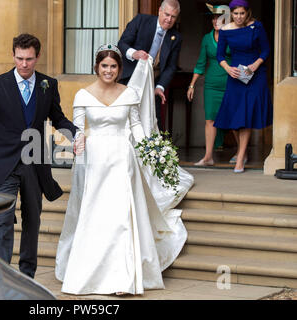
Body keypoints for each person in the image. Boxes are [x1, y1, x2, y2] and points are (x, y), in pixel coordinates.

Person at [55, 45, 194, 295]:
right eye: (104, 66)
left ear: (119, 69)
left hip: (122, 157)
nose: (108, 70)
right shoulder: (83, 95)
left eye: (113, 66)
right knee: (96, 215)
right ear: (97, 67)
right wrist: (77, 145)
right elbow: (77, 130)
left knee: (121, 217)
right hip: (95, 160)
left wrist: (150, 150)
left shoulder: (129, 93)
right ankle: (90, 273)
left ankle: (124, 276)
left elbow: (136, 125)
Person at [0, 34, 77, 279]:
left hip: (35, 162)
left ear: (37, 57)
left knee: (32, 220)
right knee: (3, 219)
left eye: (29, 59)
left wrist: (76, 136)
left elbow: (57, 118)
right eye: (19, 58)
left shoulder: (48, 85)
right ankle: (2, 276)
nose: (24, 64)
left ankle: (27, 276)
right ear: (13, 55)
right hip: (5, 163)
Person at [214, 0, 273, 173]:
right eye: (235, 13)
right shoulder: (225, 31)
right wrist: (227, 68)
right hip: (236, 74)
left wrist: (255, 65)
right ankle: (243, 151)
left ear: (247, 13)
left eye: (242, 13)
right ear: (231, 13)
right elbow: (220, 55)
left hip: (255, 74)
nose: (239, 17)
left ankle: (240, 158)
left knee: (245, 116)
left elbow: (266, 49)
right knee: (234, 116)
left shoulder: (257, 26)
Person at [118, 0, 182, 130]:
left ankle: (151, 149)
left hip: (153, 84)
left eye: (173, 17)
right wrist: (134, 53)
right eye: (166, 14)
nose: (169, 20)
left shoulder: (176, 37)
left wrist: (160, 87)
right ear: (159, 10)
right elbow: (122, 43)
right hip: (130, 78)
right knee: (124, 119)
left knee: (153, 122)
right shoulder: (141, 20)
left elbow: (171, 66)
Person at [187, 4, 232, 166]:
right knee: (210, 120)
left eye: (219, 17)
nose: (215, 20)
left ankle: (242, 153)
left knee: (233, 119)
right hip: (211, 85)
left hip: (231, 83)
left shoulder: (233, 36)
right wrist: (192, 85)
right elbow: (200, 63)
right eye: (213, 17)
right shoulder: (207, 38)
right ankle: (208, 157)